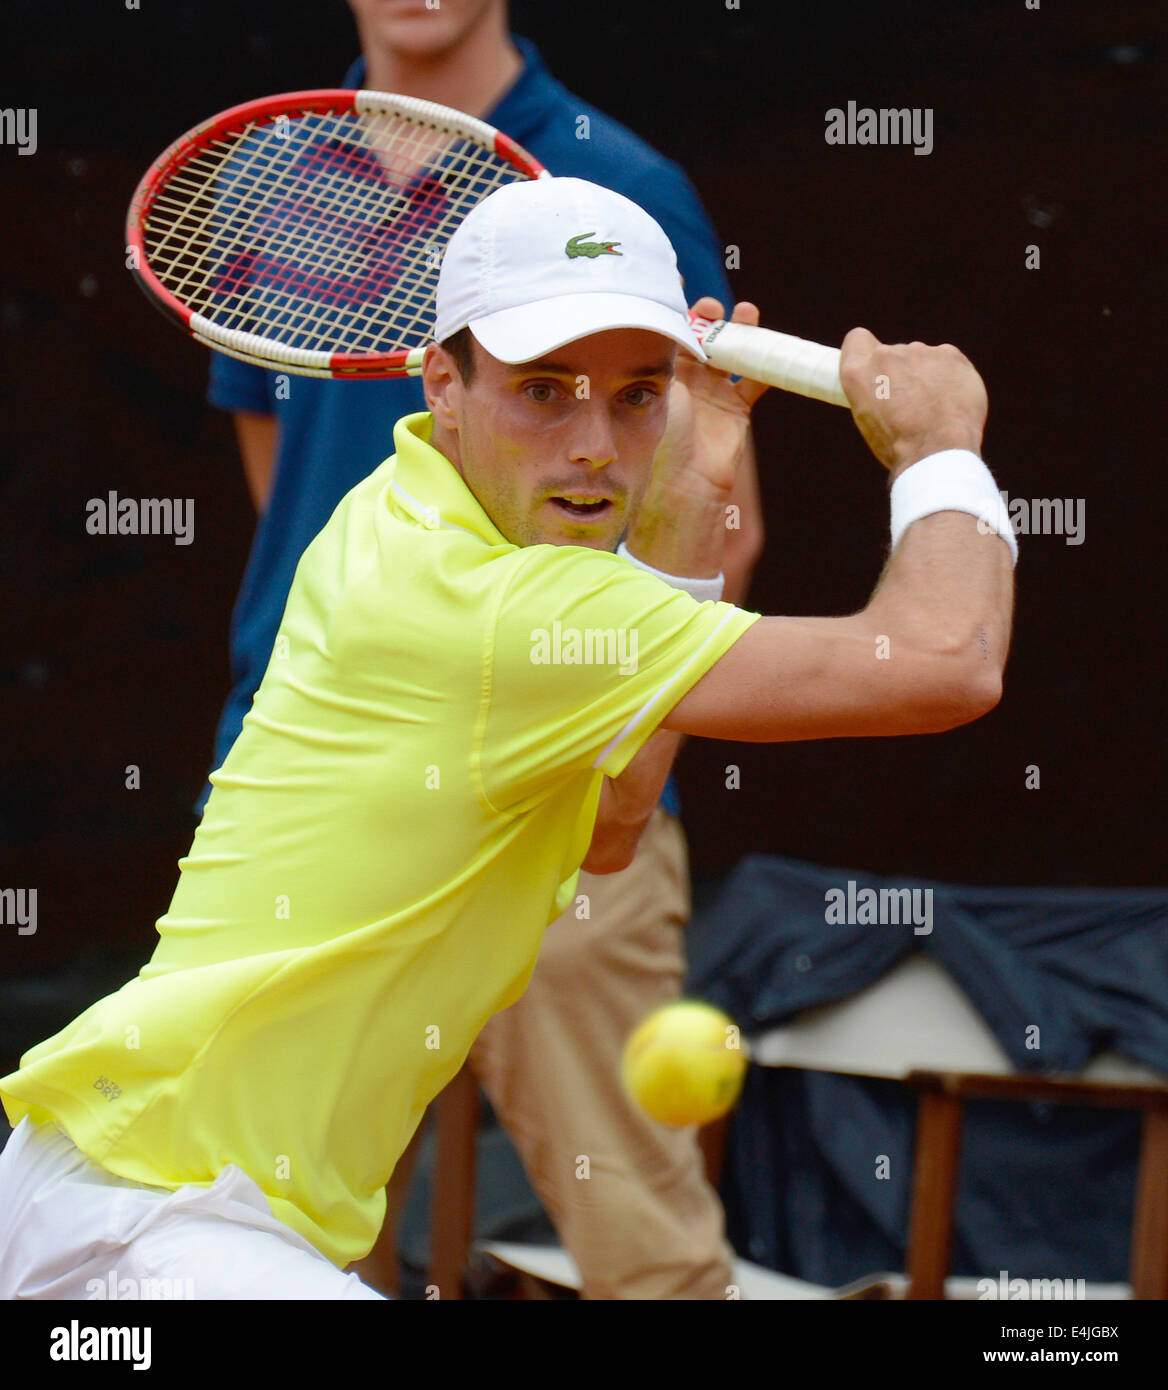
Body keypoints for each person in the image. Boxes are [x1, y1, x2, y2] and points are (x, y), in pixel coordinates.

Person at [0, 175, 1015, 1300]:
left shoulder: (400, 511)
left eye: (637, 396)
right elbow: (943, 662)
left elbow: (612, 823)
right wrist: (940, 451)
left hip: (151, 1204)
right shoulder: (506, 615)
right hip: (148, 1226)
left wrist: (688, 486)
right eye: (544, 389)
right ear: (446, 381)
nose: (593, 443)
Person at [208, 0, 764, 1298]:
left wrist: (616, 762)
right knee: (263, 1251)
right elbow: (282, 478)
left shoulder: (621, 182)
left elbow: (711, 511)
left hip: (572, 816)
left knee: (650, 1257)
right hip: (321, 813)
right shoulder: (268, 176)